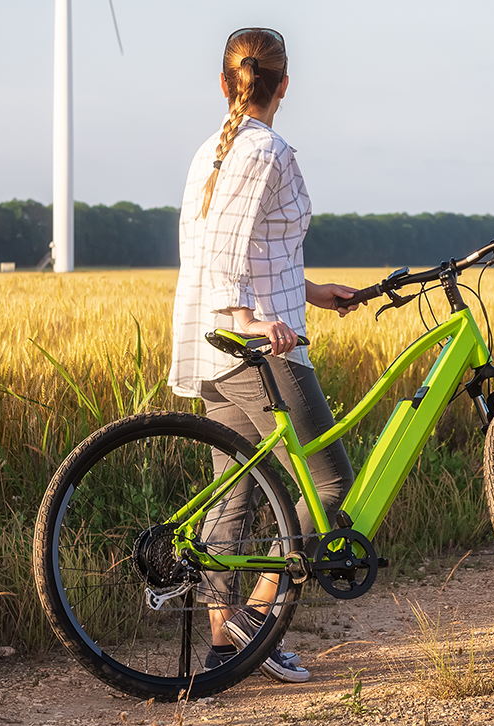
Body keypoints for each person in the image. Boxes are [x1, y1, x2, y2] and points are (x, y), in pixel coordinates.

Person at [166, 27, 361, 685]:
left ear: (225, 84)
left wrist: (310, 290)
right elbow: (225, 258)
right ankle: (260, 613)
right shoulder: (266, 151)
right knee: (329, 481)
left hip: (213, 344)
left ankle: (227, 646)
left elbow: (247, 248)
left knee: (235, 496)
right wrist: (252, 318)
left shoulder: (212, 153)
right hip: (257, 347)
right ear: (284, 87)